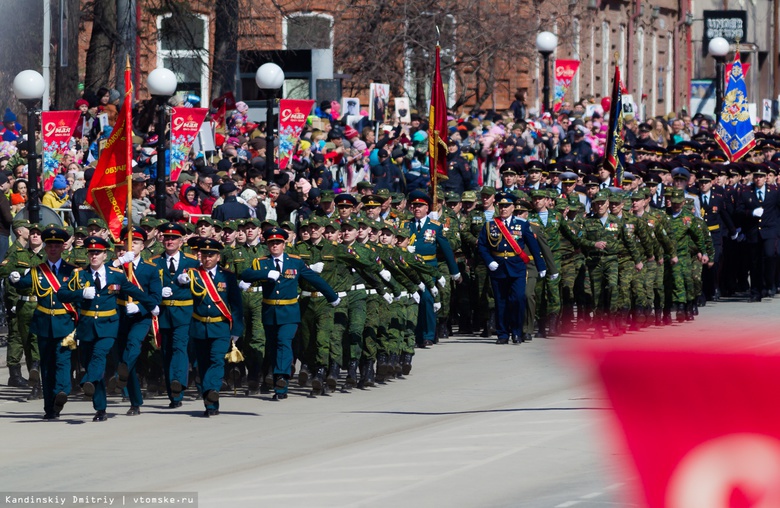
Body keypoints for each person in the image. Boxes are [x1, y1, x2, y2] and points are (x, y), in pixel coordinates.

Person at [58, 236, 157, 422]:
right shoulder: (79, 275)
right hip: (87, 327)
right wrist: (80, 293)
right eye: (91, 252)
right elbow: (62, 294)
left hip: (109, 326)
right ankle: (100, 408)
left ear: (105, 254)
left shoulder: (115, 275)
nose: (94, 256)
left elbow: (133, 290)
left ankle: (87, 382)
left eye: (98, 252)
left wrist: (151, 304)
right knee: (91, 364)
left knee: (99, 357)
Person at [240, 227, 339, 400]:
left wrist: (332, 296)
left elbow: (313, 279)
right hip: (270, 311)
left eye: (278, 242)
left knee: (284, 342)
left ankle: (281, 379)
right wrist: (265, 273)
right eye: (271, 243)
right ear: (267, 244)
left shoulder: (295, 262)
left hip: (290, 311)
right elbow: (246, 274)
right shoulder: (261, 262)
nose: (275, 246)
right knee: (271, 346)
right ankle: (276, 377)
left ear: (284, 244)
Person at [10, 226, 76, 419]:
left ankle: (62, 391)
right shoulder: (37, 271)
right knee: (47, 366)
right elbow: (23, 285)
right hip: (44, 325)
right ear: (45, 248)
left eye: (57, 245)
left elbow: (79, 297)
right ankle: (50, 408)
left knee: (63, 361)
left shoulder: (72, 271)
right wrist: (15, 279)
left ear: (63, 247)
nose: (53, 249)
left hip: (66, 325)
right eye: (50, 245)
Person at [176, 237, 243, 416]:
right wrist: (179, 282)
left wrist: (236, 329)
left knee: (216, 360)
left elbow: (236, 304)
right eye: (204, 255)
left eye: (211, 255)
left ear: (218, 257)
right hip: (199, 327)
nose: (207, 258)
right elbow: (179, 292)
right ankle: (210, 403)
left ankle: (212, 389)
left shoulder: (227, 276)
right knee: (203, 364)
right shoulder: (192, 274)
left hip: (220, 326)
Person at [477, 193, 546, 344]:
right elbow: (481, 246)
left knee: (518, 300)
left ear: (513, 207)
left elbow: (534, 247)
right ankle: (502, 334)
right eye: (501, 206)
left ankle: (516, 332)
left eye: (507, 206)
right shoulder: (490, 225)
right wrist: (489, 261)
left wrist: (541, 265)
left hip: (517, 267)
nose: (503, 209)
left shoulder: (522, 224)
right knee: (501, 302)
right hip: (498, 267)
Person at [148, 222, 201, 408]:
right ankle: (174, 394)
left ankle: (178, 384)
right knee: (166, 351)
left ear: (181, 241)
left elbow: (202, 288)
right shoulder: (154, 261)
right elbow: (146, 285)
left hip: (184, 312)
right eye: (167, 237)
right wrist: (157, 292)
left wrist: (190, 280)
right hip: (162, 313)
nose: (170, 241)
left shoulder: (192, 262)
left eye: (174, 238)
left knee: (180, 347)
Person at [113, 226, 162, 416]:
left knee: (133, 347)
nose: (132, 245)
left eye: (136, 242)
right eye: (128, 242)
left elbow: (155, 296)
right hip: (119, 313)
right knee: (126, 359)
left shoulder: (150, 269)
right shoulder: (116, 265)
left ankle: (121, 373)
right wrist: (118, 262)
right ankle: (134, 401)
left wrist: (141, 307)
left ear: (142, 246)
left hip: (140, 316)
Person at [402, 191, 461, 348]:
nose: (416, 209)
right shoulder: (405, 225)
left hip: (429, 269)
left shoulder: (435, 226)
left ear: (427, 208)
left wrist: (454, 271)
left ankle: (428, 335)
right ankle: (414, 334)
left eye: (420, 206)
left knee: (427, 299)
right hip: (409, 269)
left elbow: (446, 249)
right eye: (414, 206)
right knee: (413, 301)